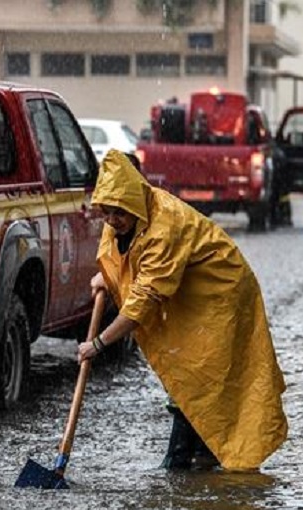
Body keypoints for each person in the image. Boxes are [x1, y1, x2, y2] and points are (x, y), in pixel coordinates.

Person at [78, 149, 288, 471]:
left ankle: (180, 462)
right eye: (105, 213)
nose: (110, 221)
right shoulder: (125, 214)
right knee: (191, 370)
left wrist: (99, 343)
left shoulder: (165, 226)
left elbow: (142, 303)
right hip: (188, 296)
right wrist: (108, 276)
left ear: (132, 203)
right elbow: (126, 255)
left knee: (200, 372)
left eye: (116, 214)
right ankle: (203, 458)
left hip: (221, 295)